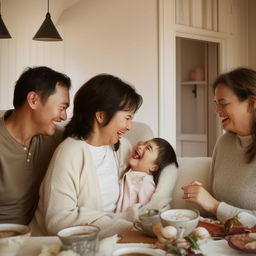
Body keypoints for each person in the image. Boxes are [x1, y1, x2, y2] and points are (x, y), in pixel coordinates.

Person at [32, 74, 178, 238]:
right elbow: (58, 222)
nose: (130, 127)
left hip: (113, 236)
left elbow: (167, 166)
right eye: (127, 117)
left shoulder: (121, 148)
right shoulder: (70, 153)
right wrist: (126, 220)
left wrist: (157, 201)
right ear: (101, 116)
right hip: (65, 244)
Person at [181, 67, 256, 223]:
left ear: (252, 103)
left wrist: (215, 206)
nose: (217, 111)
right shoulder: (224, 143)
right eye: (216, 103)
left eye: (223, 103)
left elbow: (215, 205)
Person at [0, 66, 71, 225]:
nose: (64, 116)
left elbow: (92, 135)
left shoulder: (55, 138)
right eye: (62, 107)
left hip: (37, 237)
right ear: (33, 100)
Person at [116, 138, 178, 212]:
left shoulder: (145, 181)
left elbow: (146, 212)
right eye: (143, 144)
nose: (140, 146)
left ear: (153, 167)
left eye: (148, 148)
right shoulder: (128, 172)